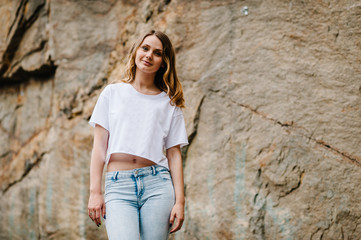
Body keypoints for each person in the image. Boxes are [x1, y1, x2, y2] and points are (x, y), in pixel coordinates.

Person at [87, 29, 189, 240]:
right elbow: (99, 148)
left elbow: (174, 154)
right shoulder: (112, 93)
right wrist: (95, 192)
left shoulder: (169, 104)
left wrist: (180, 202)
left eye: (157, 52)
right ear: (136, 52)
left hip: (158, 186)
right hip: (118, 185)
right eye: (145, 48)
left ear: (164, 62)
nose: (149, 55)